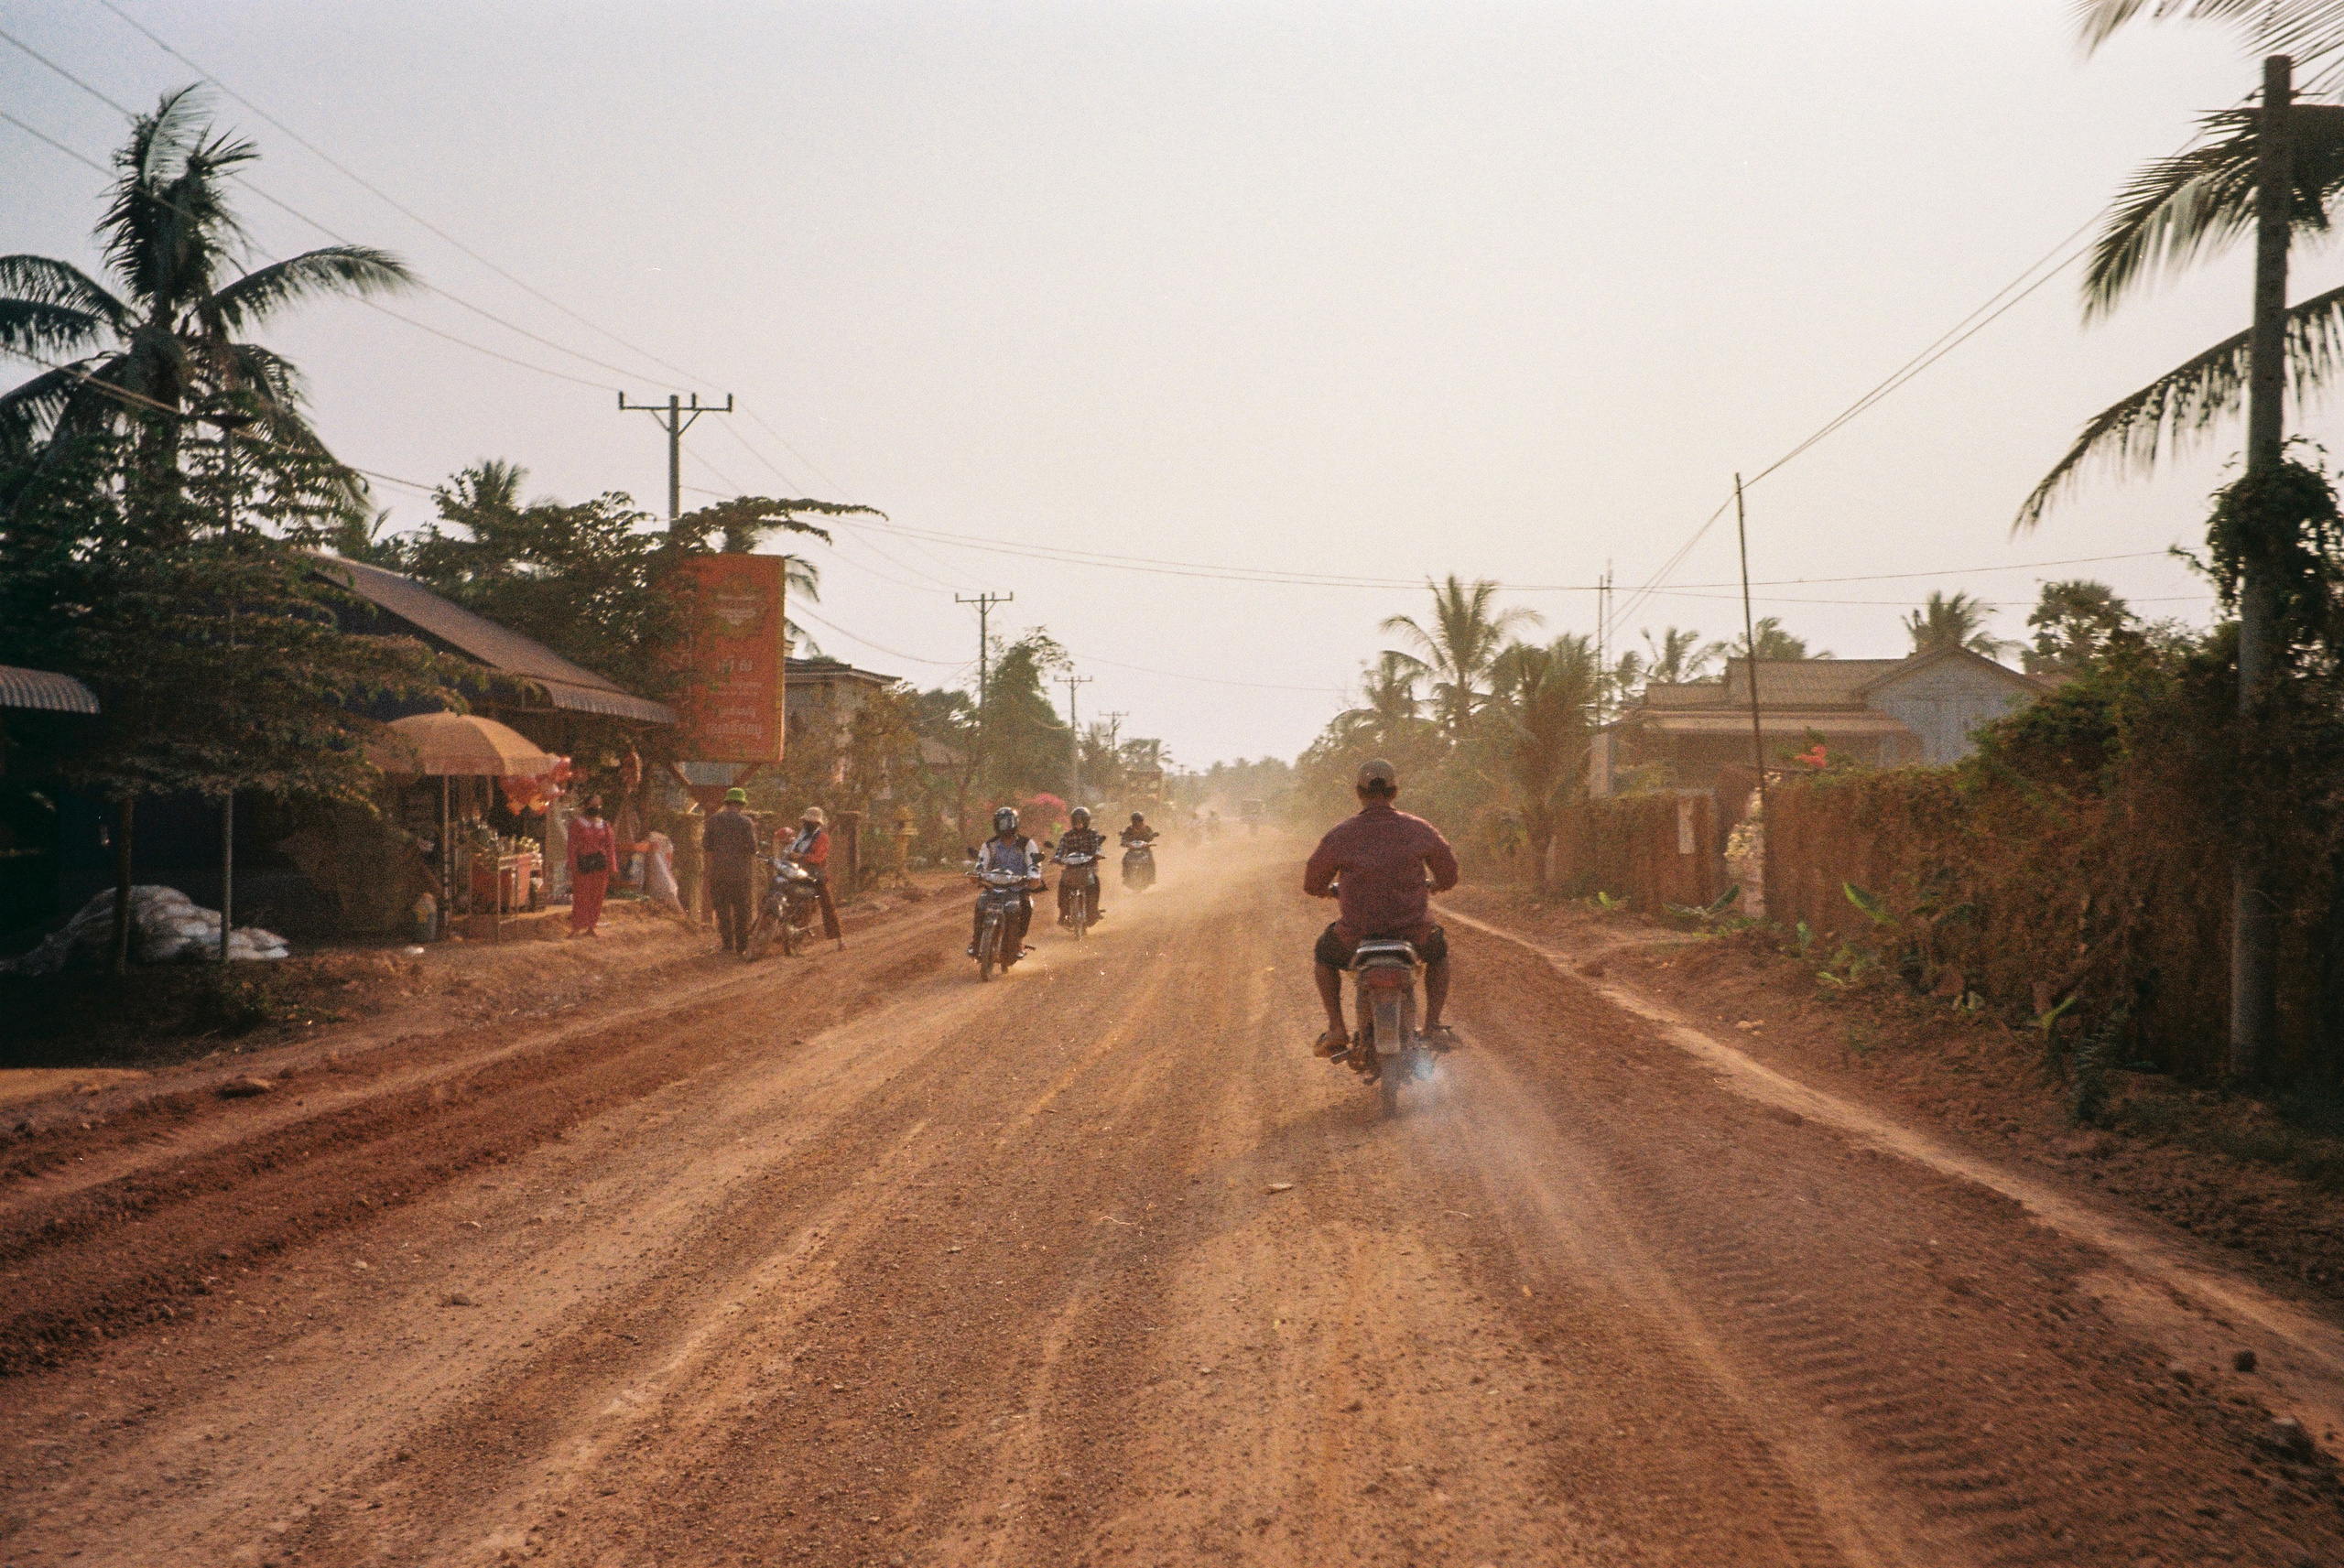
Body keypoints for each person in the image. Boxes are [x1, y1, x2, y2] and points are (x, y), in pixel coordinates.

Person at [1302, 758, 1460, 1057]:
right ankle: (1433, 1025)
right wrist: (1435, 884)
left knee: (1324, 957)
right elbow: (1449, 873)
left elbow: (1311, 883)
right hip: (1413, 933)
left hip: (1356, 936)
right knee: (1439, 953)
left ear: (1358, 792)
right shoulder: (1419, 829)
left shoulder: (1341, 834)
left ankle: (1336, 1028)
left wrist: (1328, 891)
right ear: (1395, 791)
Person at [968, 805, 1044, 957]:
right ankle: (976, 941)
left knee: (1026, 907)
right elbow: (982, 863)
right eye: (1001, 823)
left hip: (1018, 887)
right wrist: (977, 874)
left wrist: (1033, 877)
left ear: (1015, 823)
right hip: (994, 887)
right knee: (981, 904)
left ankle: (1018, 942)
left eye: (1008, 823)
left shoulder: (1026, 844)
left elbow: (1033, 863)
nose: (1005, 827)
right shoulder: (990, 845)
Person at [702, 786, 760, 955]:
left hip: (719, 873)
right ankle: (741, 946)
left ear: (727, 803)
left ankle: (727, 945)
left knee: (722, 910)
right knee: (741, 911)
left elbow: (706, 845)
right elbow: (753, 849)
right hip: (740, 875)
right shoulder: (746, 823)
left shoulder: (713, 820)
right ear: (741, 804)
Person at [782, 805, 845, 949]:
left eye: (809, 822)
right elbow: (792, 850)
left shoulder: (822, 837)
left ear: (817, 823)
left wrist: (802, 856)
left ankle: (840, 939)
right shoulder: (802, 835)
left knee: (827, 904)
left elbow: (819, 857)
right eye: (806, 822)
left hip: (815, 873)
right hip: (797, 870)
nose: (806, 824)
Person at [567, 795, 615, 937]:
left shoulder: (604, 825)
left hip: (600, 865)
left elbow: (610, 846)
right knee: (581, 895)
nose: (595, 807)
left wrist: (612, 866)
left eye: (598, 805)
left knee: (597, 896)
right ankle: (576, 927)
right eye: (592, 804)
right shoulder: (578, 824)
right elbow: (571, 845)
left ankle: (591, 927)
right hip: (583, 864)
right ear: (586, 806)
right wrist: (572, 864)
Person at [1053, 806, 1109, 925]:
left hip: (1089, 867)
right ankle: (1063, 913)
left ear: (1087, 821)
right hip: (1071, 869)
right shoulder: (1067, 836)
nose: (1079, 824)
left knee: (1095, 883)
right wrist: (1057, 857)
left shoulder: (1092, 834)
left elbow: (1097, 847)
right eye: (1076, 821)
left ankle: (1093, 910)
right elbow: (1061, 849)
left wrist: (1098, 854)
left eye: (1082, 820)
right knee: (1063, 885)